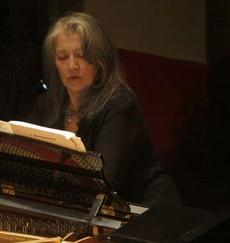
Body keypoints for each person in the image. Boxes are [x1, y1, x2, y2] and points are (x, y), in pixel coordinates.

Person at [28, 12, 180, 207]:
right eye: (63, 57)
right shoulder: (48, 104)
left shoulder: (120, 104)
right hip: (85, 209)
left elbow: (103, 179)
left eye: (81, 55)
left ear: (100, 61)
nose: (72, 66)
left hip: (145, 210)